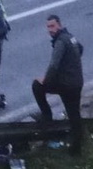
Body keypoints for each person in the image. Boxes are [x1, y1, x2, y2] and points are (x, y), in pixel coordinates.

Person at [32, 14, 84, 154]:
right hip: (77, 82)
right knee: (74, 114)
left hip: (66, 85)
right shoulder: (70, 37)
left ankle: (47, 117)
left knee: (37, 86)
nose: (50, 29)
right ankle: (77, 145)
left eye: (53, 26)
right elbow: (80, 49)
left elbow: (54, 65)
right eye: (48, 27)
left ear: (59, 25)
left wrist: (46, 81)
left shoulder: (60, 42)